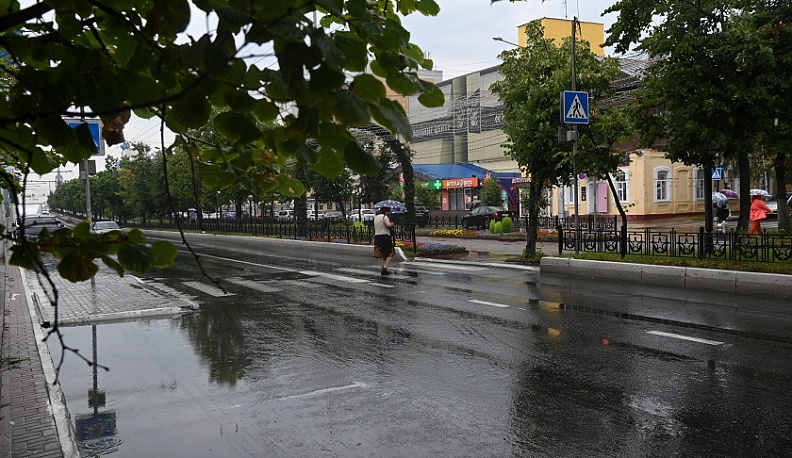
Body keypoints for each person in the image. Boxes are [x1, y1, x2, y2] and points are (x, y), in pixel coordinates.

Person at [373, 206, 395, 275]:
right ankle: (385, 268)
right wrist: (392, 224)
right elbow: (388, 225)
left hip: (377, 237)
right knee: (390, 253)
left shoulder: (376, 217)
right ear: (385, 211)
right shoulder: (384, 217)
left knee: (381, 254)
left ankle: (382, 269)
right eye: (387, 212)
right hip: (385, 237)